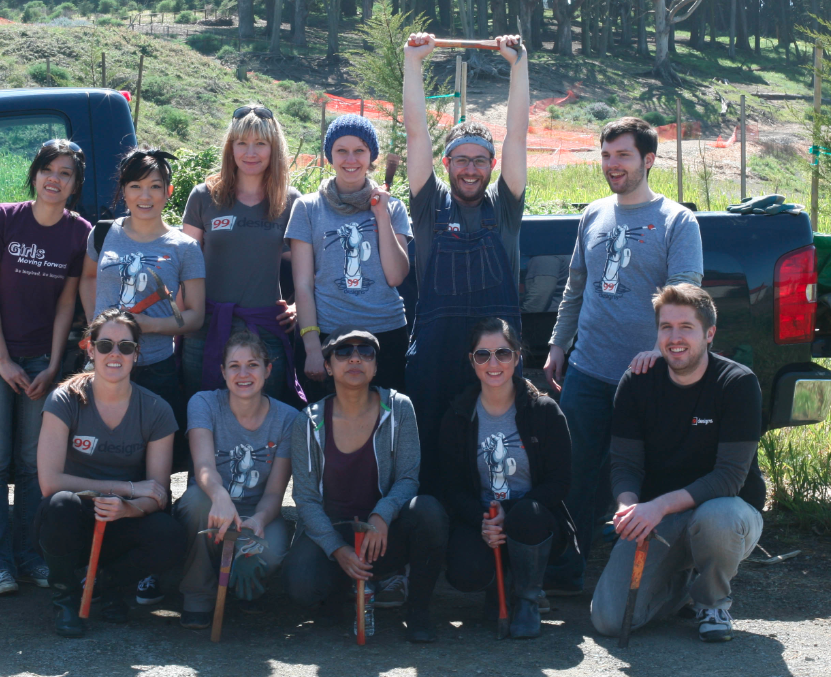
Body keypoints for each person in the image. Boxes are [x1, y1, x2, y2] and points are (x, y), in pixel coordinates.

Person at [541, 117, 704, 595]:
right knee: (572, 470)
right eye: (607, 155)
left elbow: (685, 297)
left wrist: (657, 352)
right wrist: (557, 343)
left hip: (650, 375)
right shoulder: (593, 214)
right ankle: (565, 573)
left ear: (648, 160)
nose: (612, 165)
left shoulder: (677, 221)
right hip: (588, 369)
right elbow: (577, 285)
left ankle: (640, 579)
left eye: (623, 156)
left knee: (641, 476)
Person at [590, 284, 764, 643]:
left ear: (709, 333)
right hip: (659, 519)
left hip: (725, 512)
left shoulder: (737, 383)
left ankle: (713, 602)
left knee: (718, 518)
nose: (674, 337)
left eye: (686, 326)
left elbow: (730, 478)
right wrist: (628, 506)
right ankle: (681, 587)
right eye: (666, 327)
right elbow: (624, 464)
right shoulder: (637, 382)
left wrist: (657, 505)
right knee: (609, 621)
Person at [402, 32, 529, 496]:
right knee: (432, 453)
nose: (470, 169)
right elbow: (416, 131)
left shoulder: (506, 207)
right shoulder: (429, 205)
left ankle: (495, 527)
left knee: (493, 448)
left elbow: (518, 133)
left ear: (493, 165)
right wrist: (413, 65)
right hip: (435, 356)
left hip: (494, 355)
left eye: (480, 160)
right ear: (446, 162)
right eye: (461, 160)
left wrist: (519, 66)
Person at [80, 147, 205, 604]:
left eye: (155, 186)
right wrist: (100, 331)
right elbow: (88, 280)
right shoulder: (104, 234)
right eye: (135, 186)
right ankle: (97, 560)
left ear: (169, 191)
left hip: (153, 372)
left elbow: (194, 317)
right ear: (123, 191)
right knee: (102, 467)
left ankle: (146, 565)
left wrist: (142, 328)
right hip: (104, 370)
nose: (145, 195)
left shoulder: (183, 247)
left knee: (153, 476)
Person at [0, 139, 92, 595]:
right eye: (48, 169)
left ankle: (29, 556)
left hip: (42, 360)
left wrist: (54, 365)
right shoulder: (4, 218)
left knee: (30, 463)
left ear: (74, 184)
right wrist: (2, 360)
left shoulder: (78, 233)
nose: (54, 179)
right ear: (35, 173)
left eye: (65, 173)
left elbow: (67, 305)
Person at [282, 326, 448, 643]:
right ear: (328, 366)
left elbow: (408, 477)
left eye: (365, 352)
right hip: (335, 533)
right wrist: (337, 549)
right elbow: (304, 499)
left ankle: (418, 611)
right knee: (300, 586)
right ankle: (347, 586)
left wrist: (382, 514)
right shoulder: (309, 420)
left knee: (429, 511)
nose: (355, 358)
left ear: (374, 365)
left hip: (383, 533)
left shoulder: (399, 408)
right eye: (343, 352)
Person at [34, 309, 187, 637]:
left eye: (125, 347)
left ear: (137, 353)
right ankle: (66, 597)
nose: (115, 354)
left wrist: (130, 507)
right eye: (105, 346)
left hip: (122, 518)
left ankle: (111, 584)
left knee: (170, 535)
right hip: (76, 514)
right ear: (90, 349)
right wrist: (125, 488)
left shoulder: (157, 410)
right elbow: (49, 482)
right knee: (58, 504)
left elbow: (158, 493)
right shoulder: (65, 399)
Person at [439, 317, 576, 639]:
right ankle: (499, 587)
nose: (493, 363)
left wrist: (510, 514)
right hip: (483, 520)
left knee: (527, 515)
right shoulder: (458, 415)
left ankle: (528, 597)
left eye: (502, 353)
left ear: (517, 357)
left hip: (534, 523)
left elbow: (560, 482)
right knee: (466, 572)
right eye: (482, 355)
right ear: (471, 361)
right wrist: (482, 519)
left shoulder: (544, 411)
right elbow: (452, 486)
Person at [174, 330, 299, 629]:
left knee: (270, 554)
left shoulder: (288, 418)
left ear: (268, 370)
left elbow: (274, 494)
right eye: (234, 365)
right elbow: (204, 465)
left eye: (253, 365)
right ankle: (198, 595)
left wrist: (258, 520)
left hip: (257, 512)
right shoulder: (203, 403)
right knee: (195, 502)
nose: (243, 373)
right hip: (211, 502)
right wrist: (220, 497)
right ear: (222, 371)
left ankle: (245, 588)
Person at [181, 104, 303, 405]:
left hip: (266, 332)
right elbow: (183, 267)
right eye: (242, 143)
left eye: (260, 143)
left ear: (273, 149)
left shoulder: (291, 201)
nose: (251, 152)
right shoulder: (203, 196)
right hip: (205, 331)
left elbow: (310, 270)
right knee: (201, 420)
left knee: (264, 424)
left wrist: (299, 306)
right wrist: (177, 327)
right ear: (230, 147)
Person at [287, 114, 412, 403]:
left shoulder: (392, 208)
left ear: (372, 156)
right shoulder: (307, 208)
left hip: (387, 333)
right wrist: (312, 348)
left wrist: (380, 214)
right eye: (341, 150)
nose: (350, 159)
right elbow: (303, 286)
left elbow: (395, 276)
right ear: (329, 155)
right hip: (331, 334)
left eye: (360, 150)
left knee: (386, 425)